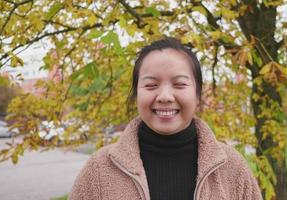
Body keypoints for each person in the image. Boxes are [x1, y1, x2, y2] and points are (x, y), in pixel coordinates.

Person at [69, 37, 262, 200]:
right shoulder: (99, 170)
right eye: (151, 85)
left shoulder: (232, 167)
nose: (165, 96)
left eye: (179, 84)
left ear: (197, 94)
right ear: (136, 95)